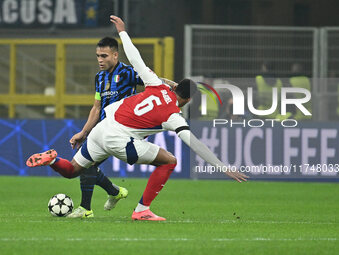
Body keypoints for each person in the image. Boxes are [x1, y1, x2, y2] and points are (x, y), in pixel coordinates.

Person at [26, 15, 248, 221]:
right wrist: (221, 166)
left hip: (102, 129)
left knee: (72, 170)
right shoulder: (174, 114)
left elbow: (135, 57)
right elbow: (193, 142)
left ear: (175, 86)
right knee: (170, 161)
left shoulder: (154, 83)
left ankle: (54, 160)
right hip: (118, 139)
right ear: (188, 100)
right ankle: (142, 210)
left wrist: (122, 32)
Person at [67, 36, 144, 218]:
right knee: (84, 166)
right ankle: (114, 192)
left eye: (104, 56)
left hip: (120, 130)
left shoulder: (127, 72)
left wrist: (173, 87)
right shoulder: (99, 77)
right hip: (101, 130)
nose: (100, 60)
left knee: (85, 166)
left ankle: (86, 209)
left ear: (115, 55)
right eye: (98, 56)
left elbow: (152, 81)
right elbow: (97, 107)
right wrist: (84, 132)